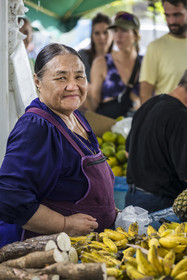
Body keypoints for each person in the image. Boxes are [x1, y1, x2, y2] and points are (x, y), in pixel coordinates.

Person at [0, 43, 116, 246]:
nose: (73, 86)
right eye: (61, 77)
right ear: (38, 81)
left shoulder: (76, 116)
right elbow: (9, 198)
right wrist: (64, 224)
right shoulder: (36, 128)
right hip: (41, 253)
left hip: (82, 246)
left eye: (79, 76)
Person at [125, 69, 187, 214]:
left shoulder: (151, 103)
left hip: (133, 198)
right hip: (161, 204)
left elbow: (128, 152)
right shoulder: (181, 118)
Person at [90, 11, 142, 119]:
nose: (118, 35)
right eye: (115, 30)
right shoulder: (102, 63)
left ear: (135, 35)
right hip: (109, 130)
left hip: (140, 129)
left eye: (124, 30)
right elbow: (94, 104)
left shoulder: (145, 63)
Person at [140, 0, 187, 104]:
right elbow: (145, 93)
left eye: (177, 15)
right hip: (169, 117)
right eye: (167, 15)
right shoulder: (155, 47)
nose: (171, 21)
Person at [78, 13, 114, 83]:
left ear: (112, 34)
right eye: (97, 33)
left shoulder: (119, 59)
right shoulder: (81, 57)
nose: (101, 37)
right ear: (92, 36)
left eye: (105, 32)